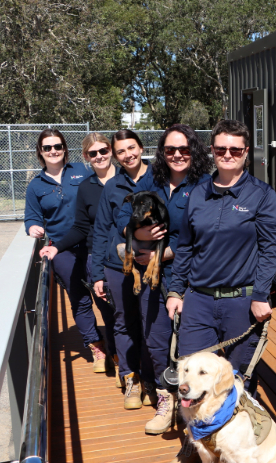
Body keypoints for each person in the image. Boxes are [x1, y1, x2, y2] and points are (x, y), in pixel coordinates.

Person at [165, 119, 276, 463]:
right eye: (221, 149)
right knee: (191, 381)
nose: (228, 155)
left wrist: (261, 295)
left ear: (246, 153)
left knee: (237, 382)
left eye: (235, 149)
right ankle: (196, 447)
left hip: (240, 301)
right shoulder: (197, 193)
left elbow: (270, 247)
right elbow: (184, 247)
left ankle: (243, 453)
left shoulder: (261, 195)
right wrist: (175, 289)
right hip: (199, 301)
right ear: (212, 152)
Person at [115, 124, 213, 436]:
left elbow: (202, 237)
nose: (177, 155)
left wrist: (163, 254)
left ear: (194, 151)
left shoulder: (205, 186)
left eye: (184, 149)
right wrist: (138, 235)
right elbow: (123, 218)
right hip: (150, 279)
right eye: (170, 150)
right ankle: (165, 401)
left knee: (191, 349)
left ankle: (197, 414)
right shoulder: (151, 182)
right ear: (162, 153)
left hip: (190, 280)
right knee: (156, 342)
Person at [24, 129, 106, 364]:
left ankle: (118, 342)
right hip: (62, 249)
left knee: (103, 294)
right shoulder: (36, 186)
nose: (53, 151)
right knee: (79, 298)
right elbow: (32, 216)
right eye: (47, 147)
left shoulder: (82, 171)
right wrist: (32, 228)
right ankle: (96, 345)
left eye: (57, 146)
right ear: (40, 152)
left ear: (64, 149)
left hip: (92, 244)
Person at [39, 133, 118, 374]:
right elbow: (82, 226)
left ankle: (130, 359)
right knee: (94, 302)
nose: (99, 156)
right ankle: (107, 353)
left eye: (103, 151)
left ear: (111, 151)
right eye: (93, 153)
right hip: (92, 253)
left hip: (128, 255)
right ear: (86, 156)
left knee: (124, 310)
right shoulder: (86, 185)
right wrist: (55, 246)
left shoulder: (129, 179)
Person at [91, 129, 156, 410]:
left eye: (132, 148)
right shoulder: (113, 186)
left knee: (152, 324)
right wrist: (97, 275)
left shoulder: (159, 178)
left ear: (141, 148)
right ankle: (130, 377)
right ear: (115, 156)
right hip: (118, 267)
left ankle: (153, 381)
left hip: (152, 264)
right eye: (121, 151)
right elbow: (101, 231)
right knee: (123, 321)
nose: (128, 155)